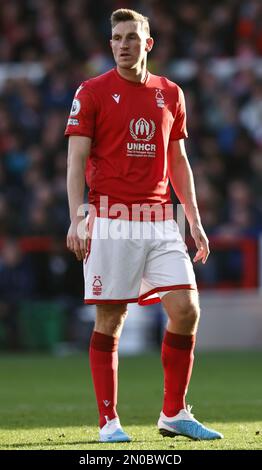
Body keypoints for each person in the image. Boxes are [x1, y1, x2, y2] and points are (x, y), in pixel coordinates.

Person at [65, 8, 223, 443]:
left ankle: (173, 413)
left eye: (132, 38)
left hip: (159, 218)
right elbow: (76, 160)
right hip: (110, 218)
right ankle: (109, 422)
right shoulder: (92, 91)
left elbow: (178, 162)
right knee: (111, 318)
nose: (122, 45)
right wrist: (77, 215)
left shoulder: (170, 93)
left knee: (187, 309)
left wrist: (194, 220)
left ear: (147, 44)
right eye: (116, 38)